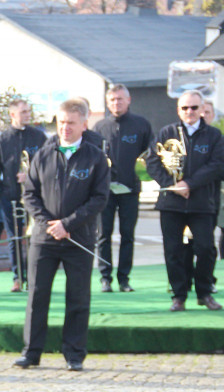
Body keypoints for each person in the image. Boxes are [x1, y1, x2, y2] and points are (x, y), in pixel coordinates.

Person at [14, 99, 109, 372]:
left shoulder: (95, 157)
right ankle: (31, 352)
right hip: (44, 239)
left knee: (78, 297)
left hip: (79, 239)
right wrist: (47, 223)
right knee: (37, 295)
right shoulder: (43, 154)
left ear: (83, 124)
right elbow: (29, 194)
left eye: (71, 123)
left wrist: (68, 224)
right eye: (61, 122)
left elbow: (99, 198)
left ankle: (74, 354)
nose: (65, 128)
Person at [145, 89, 224, 312]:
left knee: (205, 249)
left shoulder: (214, 136)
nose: (189, 112)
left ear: (202, 110)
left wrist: (189, 183)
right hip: (171, 203)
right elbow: (152, 162)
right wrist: (173, 186)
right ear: (178, 110)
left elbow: (220, 166)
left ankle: (204, 293)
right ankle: (179, 296)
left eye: (194, 107)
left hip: (203, 204)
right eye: (185, 108)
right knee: (173, 251)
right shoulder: (166, 133)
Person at [93, 84, 152, 293]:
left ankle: (124, 279)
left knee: (127, 235)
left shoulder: (141, 125)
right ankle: (105, 278)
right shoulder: (99, 128)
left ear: (128, 100)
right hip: (105, 191)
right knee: (103, 235)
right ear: (108, 103)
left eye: (120, 99)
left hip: (130, 189)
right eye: (112, 100)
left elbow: (149, 157)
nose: (116, 103)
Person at [0, 99, 47, 291]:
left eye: (28, 111)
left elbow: (48, 164)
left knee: (33, 238)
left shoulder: (39, 137)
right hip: (10, 197)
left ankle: (33, 276)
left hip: (36, 196)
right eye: (23, 112)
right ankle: (17, 278)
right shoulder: (1, 141)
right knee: (14, 238)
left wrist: (30, 176)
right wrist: (0, 192)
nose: (27, 115)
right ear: (13, 115)